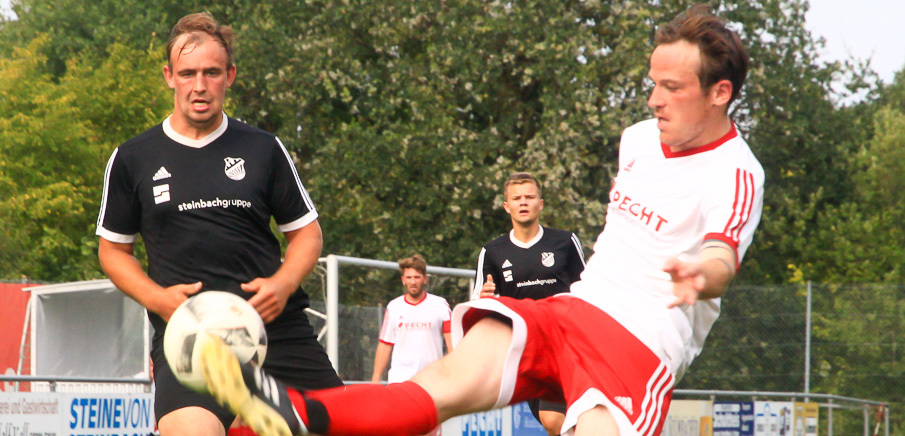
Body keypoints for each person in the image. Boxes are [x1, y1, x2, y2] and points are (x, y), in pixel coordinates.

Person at [196, 5, 764, 436]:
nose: (654, 100)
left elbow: (721, 256)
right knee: (434, 392)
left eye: (671, 88)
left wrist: (702, 273)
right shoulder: (638, 139)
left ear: (720, 93)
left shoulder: (736, 173)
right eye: (652, 84)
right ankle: (290, 413)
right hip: (568, 313)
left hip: (636, 344)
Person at [95, 12, 342, 436]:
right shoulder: (133, 157)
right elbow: (113, 251)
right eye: (187, 73)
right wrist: (159, 300)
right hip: (191, 339)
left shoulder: (263, 148)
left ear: (229, 76)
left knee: (351, 425)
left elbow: (307, 233)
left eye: (211, 72)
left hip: (276, 331)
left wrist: (282, 285)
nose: (199, 85)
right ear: (169, 77)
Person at [472, 172, 585, 435]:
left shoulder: (565, 241)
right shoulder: (492, 252)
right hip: (527, 351)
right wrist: (486, 300)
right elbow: (480, 303)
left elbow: (587, 290)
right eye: (517, 198)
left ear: (540, 204)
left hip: (566, 343)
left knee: (555, 418)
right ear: (506, 206)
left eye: (529, 197)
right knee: (556, 422)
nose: (523, 202)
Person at [371, 254, 453, 385]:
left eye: (417, 277)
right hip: (400, 380)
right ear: (403, 280)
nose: (413, 282)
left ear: (425, 279)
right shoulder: (394, 307)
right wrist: (376, 378)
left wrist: (453, 373)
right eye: (409, 277)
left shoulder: (440, 305)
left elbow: (452, 342)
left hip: (432, 379)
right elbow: (385, 344)